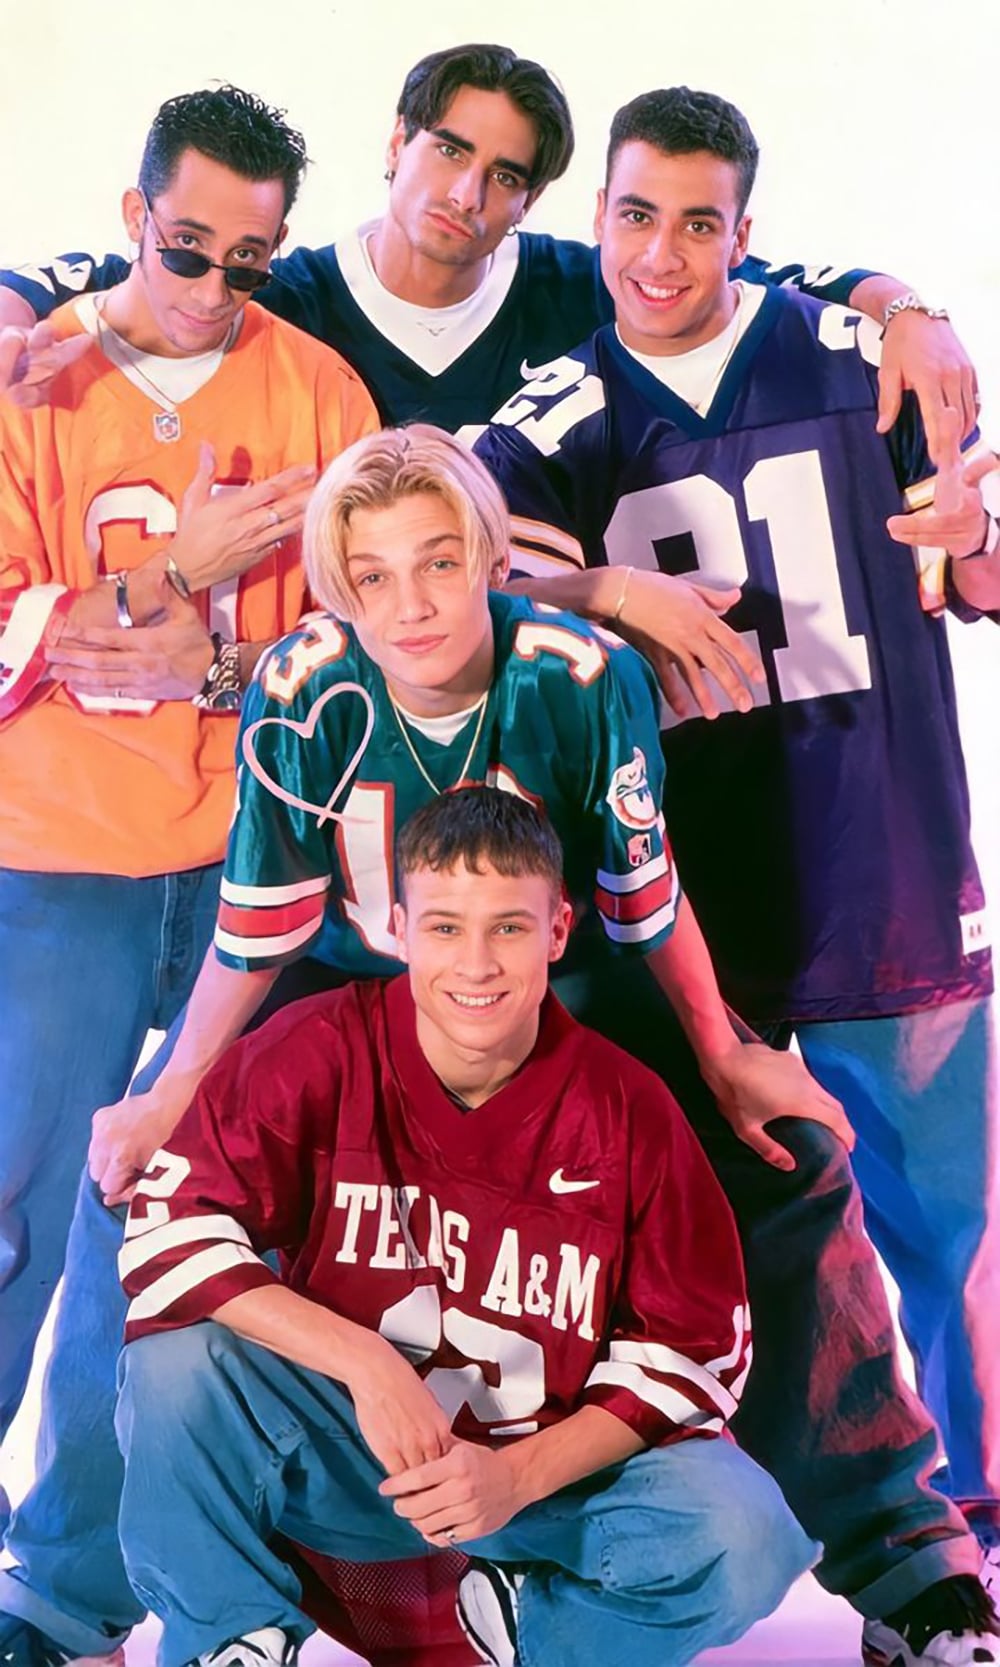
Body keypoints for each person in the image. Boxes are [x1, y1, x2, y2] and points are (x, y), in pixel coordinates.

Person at [0, 424, 840, 1667]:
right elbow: (256, 923)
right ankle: (72, 1590)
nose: (411, 603)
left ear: (488, 558)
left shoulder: (573, 668)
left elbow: (642, 896)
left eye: (439, 563)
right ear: (340, 583)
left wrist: (719, 1049)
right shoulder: (301, 684)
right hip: (349, 984)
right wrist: (171, 1088)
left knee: (785, 1160)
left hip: (561, 970)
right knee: (133, 1186)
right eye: (374, 574)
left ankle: (896, 1547)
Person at [473, 84, 1000, 1667]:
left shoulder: (860, 358)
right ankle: (803, 1548)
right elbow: (461, 536)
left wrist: (976, 517)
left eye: (699, 220)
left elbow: (976, 560)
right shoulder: (563, 408)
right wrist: (610, 583)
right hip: (694, 925)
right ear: (600, 220)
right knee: (754, 1271)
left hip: (889, 883)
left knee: (953, 1248)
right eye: (634, 214)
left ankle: (968, 1569)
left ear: (746, 232)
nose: (662, 250)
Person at [0, 44, 981, 721]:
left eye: (505, 174)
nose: (468, 193)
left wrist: (904, 313)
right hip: (374, 722)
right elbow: (133, 272)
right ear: (397, 144)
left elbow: (751, 279)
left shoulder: (582, 284)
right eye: (449, 150)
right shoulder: (281, 297)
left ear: (538, 197)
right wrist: (9, 306)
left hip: (554, 714)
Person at [111, 784, 818, 1667]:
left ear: (558, 930)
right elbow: (166, 1231)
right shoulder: (320, 1047)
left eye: (509, 927)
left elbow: (697, 1356)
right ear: (397, 929)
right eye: (445, 926)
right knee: (178, 1361)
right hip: (355, 1467)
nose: (476, 963)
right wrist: (364, 1361)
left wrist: (517, 1477)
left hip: (544, 1493)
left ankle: (536, 1637)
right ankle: (232, 1640)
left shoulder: (628, 1110)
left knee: (745, 1531)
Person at [0, 77, 378, 1654]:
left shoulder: (320, 391)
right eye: (184, 243)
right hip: (57, 861)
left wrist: (169, 651)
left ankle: (63, 1588)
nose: (211, 281)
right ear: (129, 216)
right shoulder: (32, 379)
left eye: (249, 256)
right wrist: (185, 581)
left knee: (147, 1232)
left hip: (244, 877)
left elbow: (352, 650)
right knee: (13, 1212)